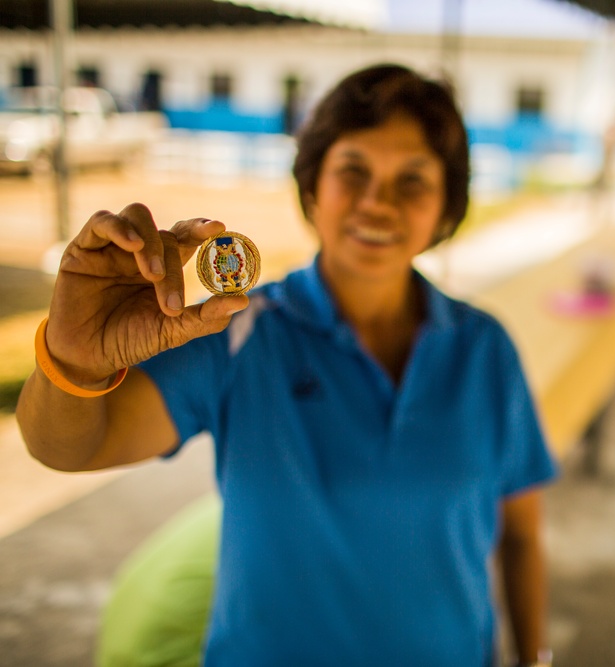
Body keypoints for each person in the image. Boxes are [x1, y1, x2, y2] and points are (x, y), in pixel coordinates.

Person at [16, 63, 558, 667]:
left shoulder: (485, 350)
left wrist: (536, 658)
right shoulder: (238, 330)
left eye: (413, 181)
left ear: (446, 210)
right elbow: (70, 448)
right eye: (353, 172)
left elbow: (521, 533)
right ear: (311, 189)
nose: (378, 203)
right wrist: (74, 360)